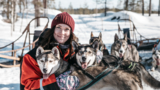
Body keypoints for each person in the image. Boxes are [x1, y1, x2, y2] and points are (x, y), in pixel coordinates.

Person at [20, 12, 79, 90]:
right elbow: (27, 86)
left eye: (67, 29)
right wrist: (55, 83)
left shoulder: (75, 53)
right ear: (53, 29)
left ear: (71, 32)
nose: (62, 33)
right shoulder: (31, 57)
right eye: (59, 27)